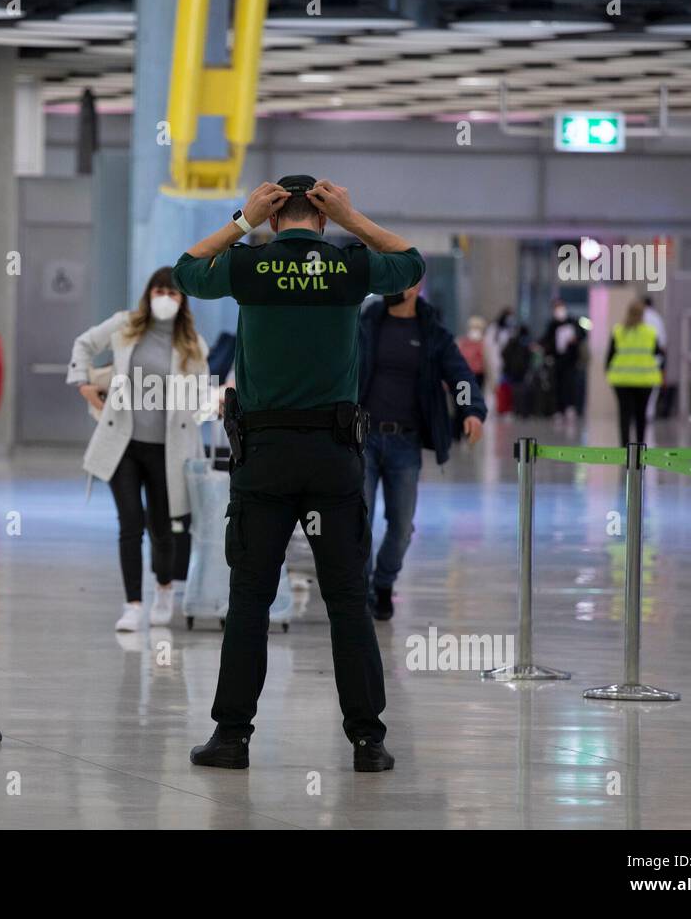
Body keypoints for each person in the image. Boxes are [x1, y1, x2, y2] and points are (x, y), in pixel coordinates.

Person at [173, 175, 425, 773]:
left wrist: (242, 221)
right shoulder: (349, 268)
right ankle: (368, 742)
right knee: (347, 603)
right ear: (322, 215)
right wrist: (354, 217)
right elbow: (410, 265)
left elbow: (186, 271)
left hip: (264, 458)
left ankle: (232, 738)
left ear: (273, 212)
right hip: (334, 458)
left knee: (250, 600)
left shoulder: (249, 267)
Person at [67, 268, 210, 632]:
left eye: (173, 293)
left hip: (168, 452)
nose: (165, 297)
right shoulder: (125, 325)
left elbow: (196, 400)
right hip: (124, 445)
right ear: (149, 293)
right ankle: (132, 604)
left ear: (183, 301)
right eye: (159, 290)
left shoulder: (193, 345)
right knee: (129, 523)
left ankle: (164, 588)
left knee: (162, 527)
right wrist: (83, 383)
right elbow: (84, 343)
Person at [358, 285, 486, 621]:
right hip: (363, 439)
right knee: (359, 522)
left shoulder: (432, 334)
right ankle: (358, 593)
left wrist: (471, 409)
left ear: (415, 287)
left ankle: (383, 583)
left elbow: (459, 376)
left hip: (405, 444)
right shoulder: (365, 324)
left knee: (401, 527)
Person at [606, 299, 665, 446]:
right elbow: (659, 353)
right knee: (641, 416)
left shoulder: (618, 331)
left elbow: (609, 356)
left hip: (621, 381)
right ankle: (639, 449)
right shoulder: (650, 333)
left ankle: (624, 449)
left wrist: (609, 372)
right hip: (644, 381)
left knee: (624, 415)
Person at [541, 299, 586, 421]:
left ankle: (570, 407)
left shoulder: (573, 321)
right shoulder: (552, 324)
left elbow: (582, 334)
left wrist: (575, 338)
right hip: (557, 360)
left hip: (571, 359)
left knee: (570, 384)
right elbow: (546, 340)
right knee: (558, 385)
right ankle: (558, 409)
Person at [455, 315, 487, 390]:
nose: (475, 331)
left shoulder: (483, 344)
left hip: (478, 375)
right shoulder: (461, 342)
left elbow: (486, 363)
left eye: (477, 328)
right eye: (473, 327)